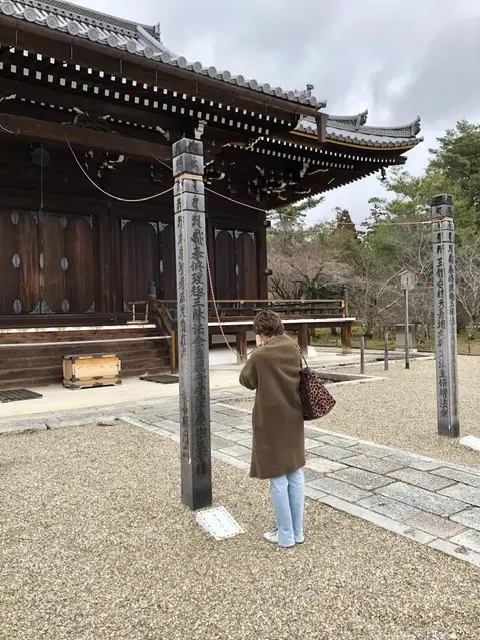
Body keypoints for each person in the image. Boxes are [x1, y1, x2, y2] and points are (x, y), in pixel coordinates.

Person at [239, 309, 305, 549]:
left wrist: (256, 350)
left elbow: (246, 381)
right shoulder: (293, 348)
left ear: (261, 332)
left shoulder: (262, 355)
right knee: (295, 473)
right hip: (294, 417)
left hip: (271, 420)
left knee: (278, 478)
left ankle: (285, 534)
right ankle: (297, 532)